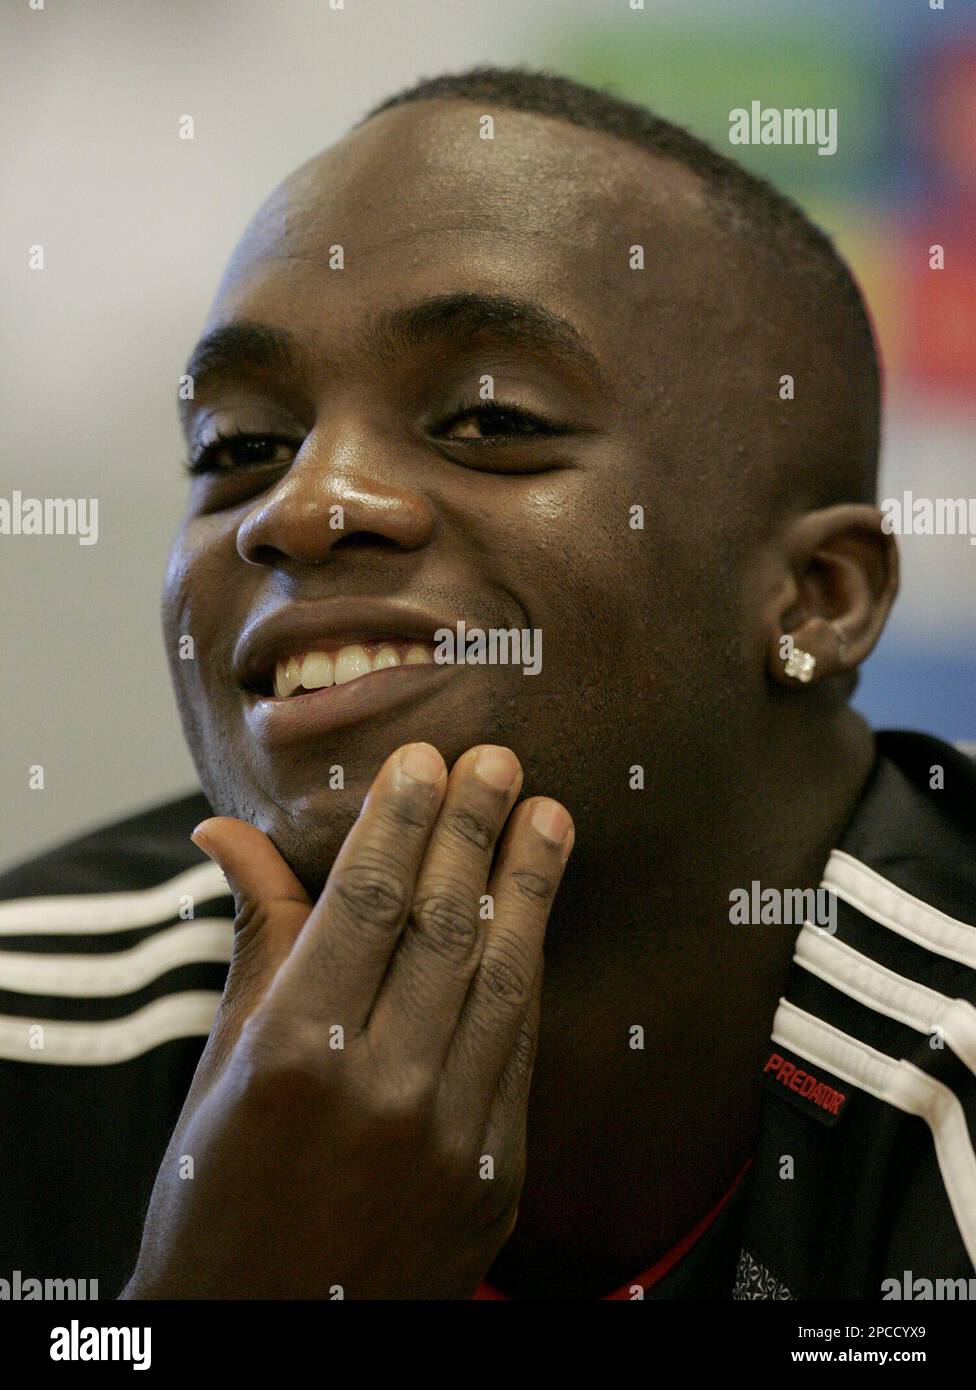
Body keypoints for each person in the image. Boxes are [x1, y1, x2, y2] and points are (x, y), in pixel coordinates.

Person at [1, 66, 973, 1302]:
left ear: (817, 600)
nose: (302, 507)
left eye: (487, 417)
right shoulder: (29, 1023)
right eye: (238, 448)